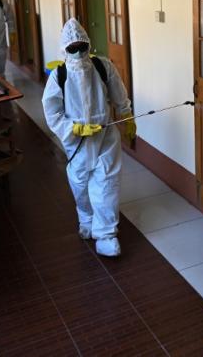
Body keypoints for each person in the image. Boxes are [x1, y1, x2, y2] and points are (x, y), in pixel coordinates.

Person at [42, 18, 136, 257]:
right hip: (77, 142)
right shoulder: (58, 76)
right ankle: (86, 219)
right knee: (80, 183)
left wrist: (127, 118)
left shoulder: (103, 67)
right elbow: (52, 111)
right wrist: (74, 129)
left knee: (107, 184)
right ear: (64, 50)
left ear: (88, 45)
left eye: (82, 47)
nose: (78, 52)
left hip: (105, 136)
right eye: (72, 48)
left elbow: (119, 95)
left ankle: (106, 235)